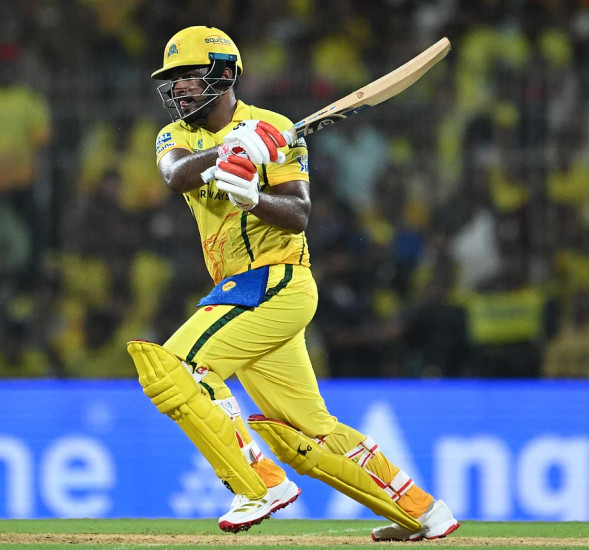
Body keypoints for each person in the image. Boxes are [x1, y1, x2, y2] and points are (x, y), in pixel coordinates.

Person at [127, 26, 460, 541]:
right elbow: (176, 175)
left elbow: (299, 214)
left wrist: (253, 198)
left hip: (277, 281)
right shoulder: (174, 136)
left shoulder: (277, 128)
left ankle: (259, 483)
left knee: (177, 368)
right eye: (173, 79)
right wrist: (227, 153)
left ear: (225, 74)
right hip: (244, 293)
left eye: (190, 75)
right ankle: (422, 511)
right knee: (308, 433)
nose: (179, 88)